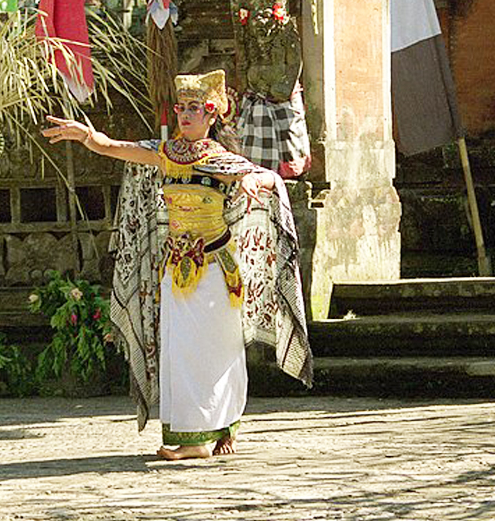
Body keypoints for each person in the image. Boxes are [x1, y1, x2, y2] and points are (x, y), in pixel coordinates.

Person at [44, 69, 312, 460]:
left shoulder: (221, 160)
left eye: (194, 109)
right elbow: (116, 146)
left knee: (218, 350)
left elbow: (266, 176)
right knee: (181, 350)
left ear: (211, 115)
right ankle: (195, 438)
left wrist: (259, 184)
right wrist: (87, 137)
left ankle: (217, 431)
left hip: (216, 268)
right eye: (181, 108)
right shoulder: (166, 153)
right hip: (177, 268)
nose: (185, 115)